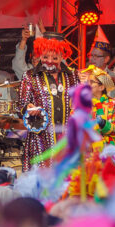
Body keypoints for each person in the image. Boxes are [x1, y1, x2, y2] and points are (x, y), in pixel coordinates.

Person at [17, 32, 80, 171]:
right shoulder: (30, 76)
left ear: (62, 56)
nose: (50, 61)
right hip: (41, 142)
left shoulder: (73, 76)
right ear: (39, 54)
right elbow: (20, 106)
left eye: (55, 57)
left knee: (67, 184)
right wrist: (28, 108)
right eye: (45, 57)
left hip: (67, 141)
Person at [80, 64, 115, 150]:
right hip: (88, 152)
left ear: (101, 87)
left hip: (108, 151)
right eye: (87, 82)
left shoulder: (113, 104)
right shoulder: (83, 105)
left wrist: (104, 124)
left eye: (92, 82)